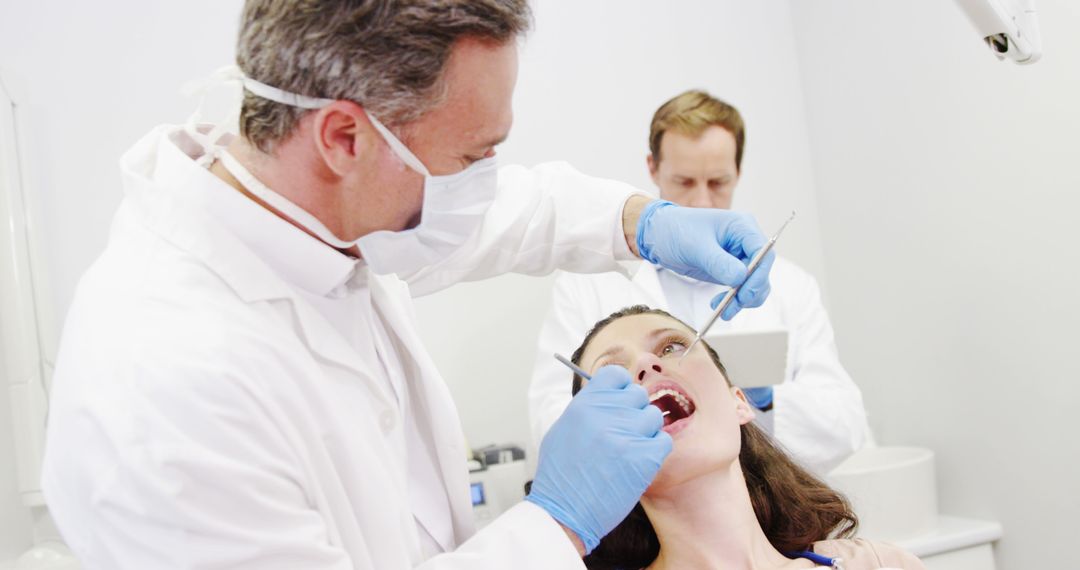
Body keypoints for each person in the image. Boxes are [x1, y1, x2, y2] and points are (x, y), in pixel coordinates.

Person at [40, 2, 777, 570]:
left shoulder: (333, 222)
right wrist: (554, 523)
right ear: (343, 138)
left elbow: (507, 214)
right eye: (473, 154)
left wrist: (640, 220)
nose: (483, 181)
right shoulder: (164, 385)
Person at [530, 90, 868, 475]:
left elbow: (845, 425)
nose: (702, 203)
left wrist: (766, 403)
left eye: (718, 182)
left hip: (767, 506)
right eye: (685, 181)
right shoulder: (587, 286)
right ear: (653, 169)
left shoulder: (793, 287)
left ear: (738, 172)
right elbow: (551, 423)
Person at [562, 305, 923, 570]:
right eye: (611, 374)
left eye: (671, 347)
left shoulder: (881, 564)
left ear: (739, 403)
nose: (645, 364)